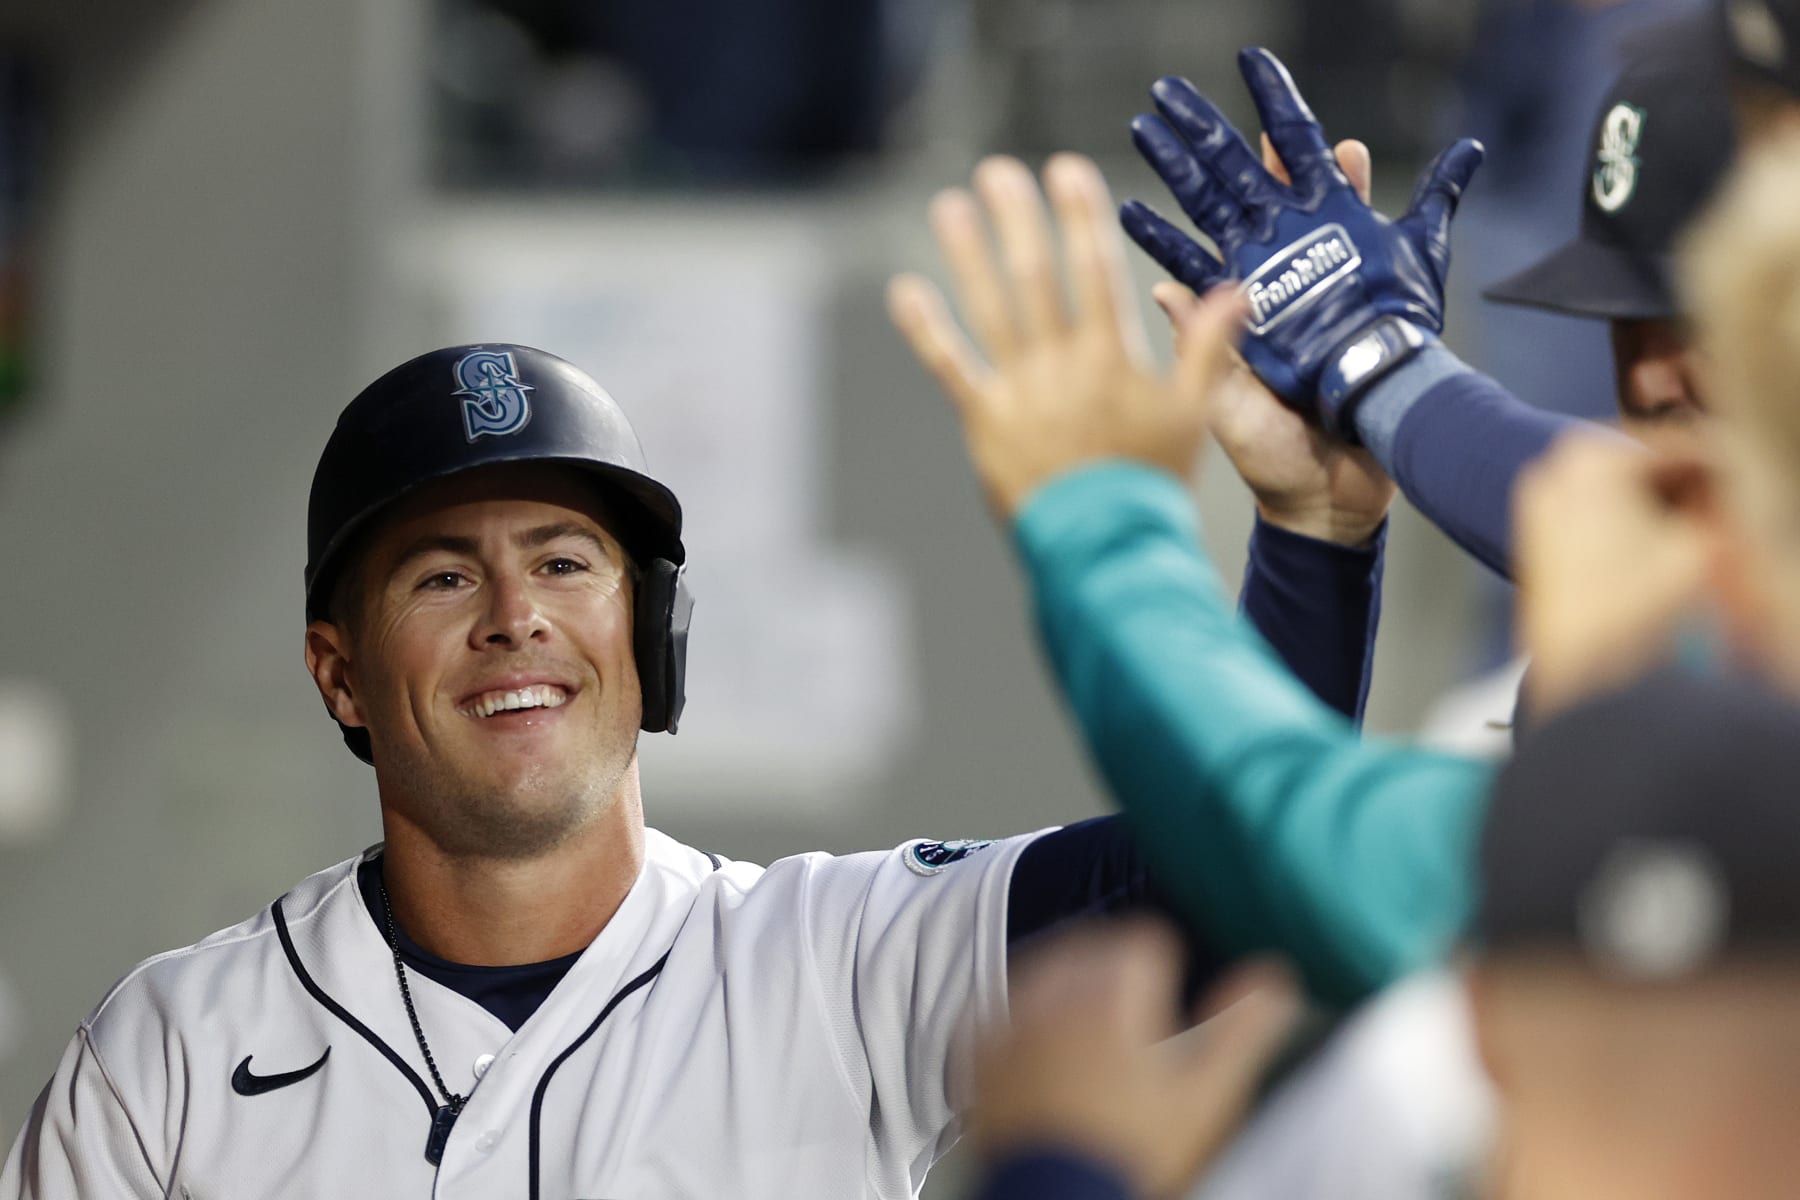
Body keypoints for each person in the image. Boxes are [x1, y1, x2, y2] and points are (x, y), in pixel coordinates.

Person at [1, 343, 1270, 1199]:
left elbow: (1235, 874)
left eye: (565, 562)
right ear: (340, 674)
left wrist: (1317, 538)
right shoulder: (170, 1054)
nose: (516, 615)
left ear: (648, 633)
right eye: (444, 575)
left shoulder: (833, 960)